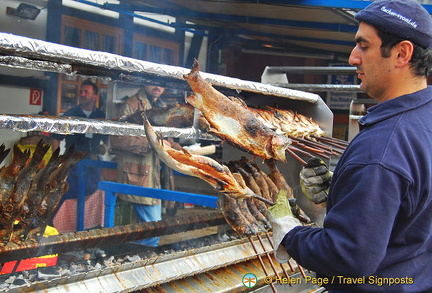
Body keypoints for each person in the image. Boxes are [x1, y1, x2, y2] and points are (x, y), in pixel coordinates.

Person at [268, 0, 432, 292]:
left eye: (363, 46)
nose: (352, 58)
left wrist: (290, 233)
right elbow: (413, 205)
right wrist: (349, 192)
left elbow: (346, 257)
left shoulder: (382, 146)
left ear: (401, 53)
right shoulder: (424, 117)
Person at [110, 84, 179, 247]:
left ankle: (134, 258)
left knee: (151, 229)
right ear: (143, 83)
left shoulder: (162, 107)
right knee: (154, 230)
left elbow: (167, 139)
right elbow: (117, 139)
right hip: (139, 174)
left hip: (157, 174)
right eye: (153, 81)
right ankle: (137, 261)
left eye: (161, 82)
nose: (157, 86)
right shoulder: (130, 106)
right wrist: (153, 144)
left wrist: (180, 151)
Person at [51, 79, 108, 204]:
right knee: (67, 195)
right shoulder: (70, 114)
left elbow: (108, 140)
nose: (82, 94)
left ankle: (87, 223)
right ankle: (64, 223)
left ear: (94, 96)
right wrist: (57, 163)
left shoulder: (101, 116)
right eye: (81, 92)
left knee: (92, 196)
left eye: (86, 92)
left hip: (92, 163)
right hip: (72, 162)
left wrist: (105, 152)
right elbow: (56, 138)